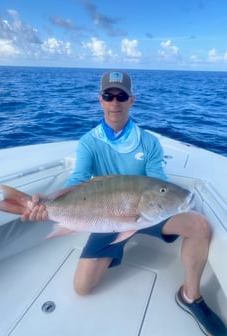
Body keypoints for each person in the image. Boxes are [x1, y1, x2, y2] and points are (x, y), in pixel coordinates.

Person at [22, 70, 227, 336]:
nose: (115, 101)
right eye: (109, 95)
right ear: (101, 100)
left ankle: (190, 296)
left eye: (121, 96)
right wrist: (48, 201)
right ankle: (115, 248)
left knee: (199, 225)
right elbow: (79, 178)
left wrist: (165, 198)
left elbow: (157, 183)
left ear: (132, 100)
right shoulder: (89, 142)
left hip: (147, 213)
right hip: (106, 215)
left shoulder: (148, 142)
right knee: (83, 287)